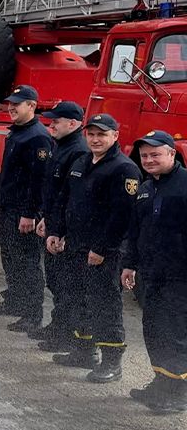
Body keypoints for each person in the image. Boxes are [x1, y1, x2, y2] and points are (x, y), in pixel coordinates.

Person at [45, 113, 140, 382]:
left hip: (103, 253)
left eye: (102, 134)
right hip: (75, 246)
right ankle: (83, 351)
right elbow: (66, 199)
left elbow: (121, 217)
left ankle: (111, 362)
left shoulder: (124, 169)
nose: (96, 139)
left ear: (115, 136)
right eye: (92, 134)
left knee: (104, 305)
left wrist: (101, 248)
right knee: (77, 299)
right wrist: (56, 231)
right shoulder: (81, 161)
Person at [122, 130, 187, 413]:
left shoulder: (185, 185)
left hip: (180, 277)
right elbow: (136, 231)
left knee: (175, 333)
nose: (148, 160)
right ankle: (161, 383)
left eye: (155, 154)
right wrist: (129, 264)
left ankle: (179, 393)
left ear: (172, 154)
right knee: (154, 330)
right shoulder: (146, 188)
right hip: (152, 275)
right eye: (145, 155)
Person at [0, 85, 54, 334]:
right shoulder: (18, 133)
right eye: (10, 103)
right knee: (10, 257)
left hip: (23, 212)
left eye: (18, 103)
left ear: (32, 106)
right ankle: (14, 301)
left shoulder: (38, 137)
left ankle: (32, 314)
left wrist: (30, 214)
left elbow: (39, 182)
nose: (11, 107)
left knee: (27, 263)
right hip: (10, 208)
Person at [33, 101, 88, 353]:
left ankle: (65, 334)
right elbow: (53, 191)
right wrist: (46, 218)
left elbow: (71, 198)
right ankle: (57, 326)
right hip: (54, 223)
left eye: (56, 120)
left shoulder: (77, 151)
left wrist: (61, 230)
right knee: (55, 281)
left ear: (73, 124)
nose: (51, 124)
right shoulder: (61, 146)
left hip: (64, 231)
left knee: (66, 285)